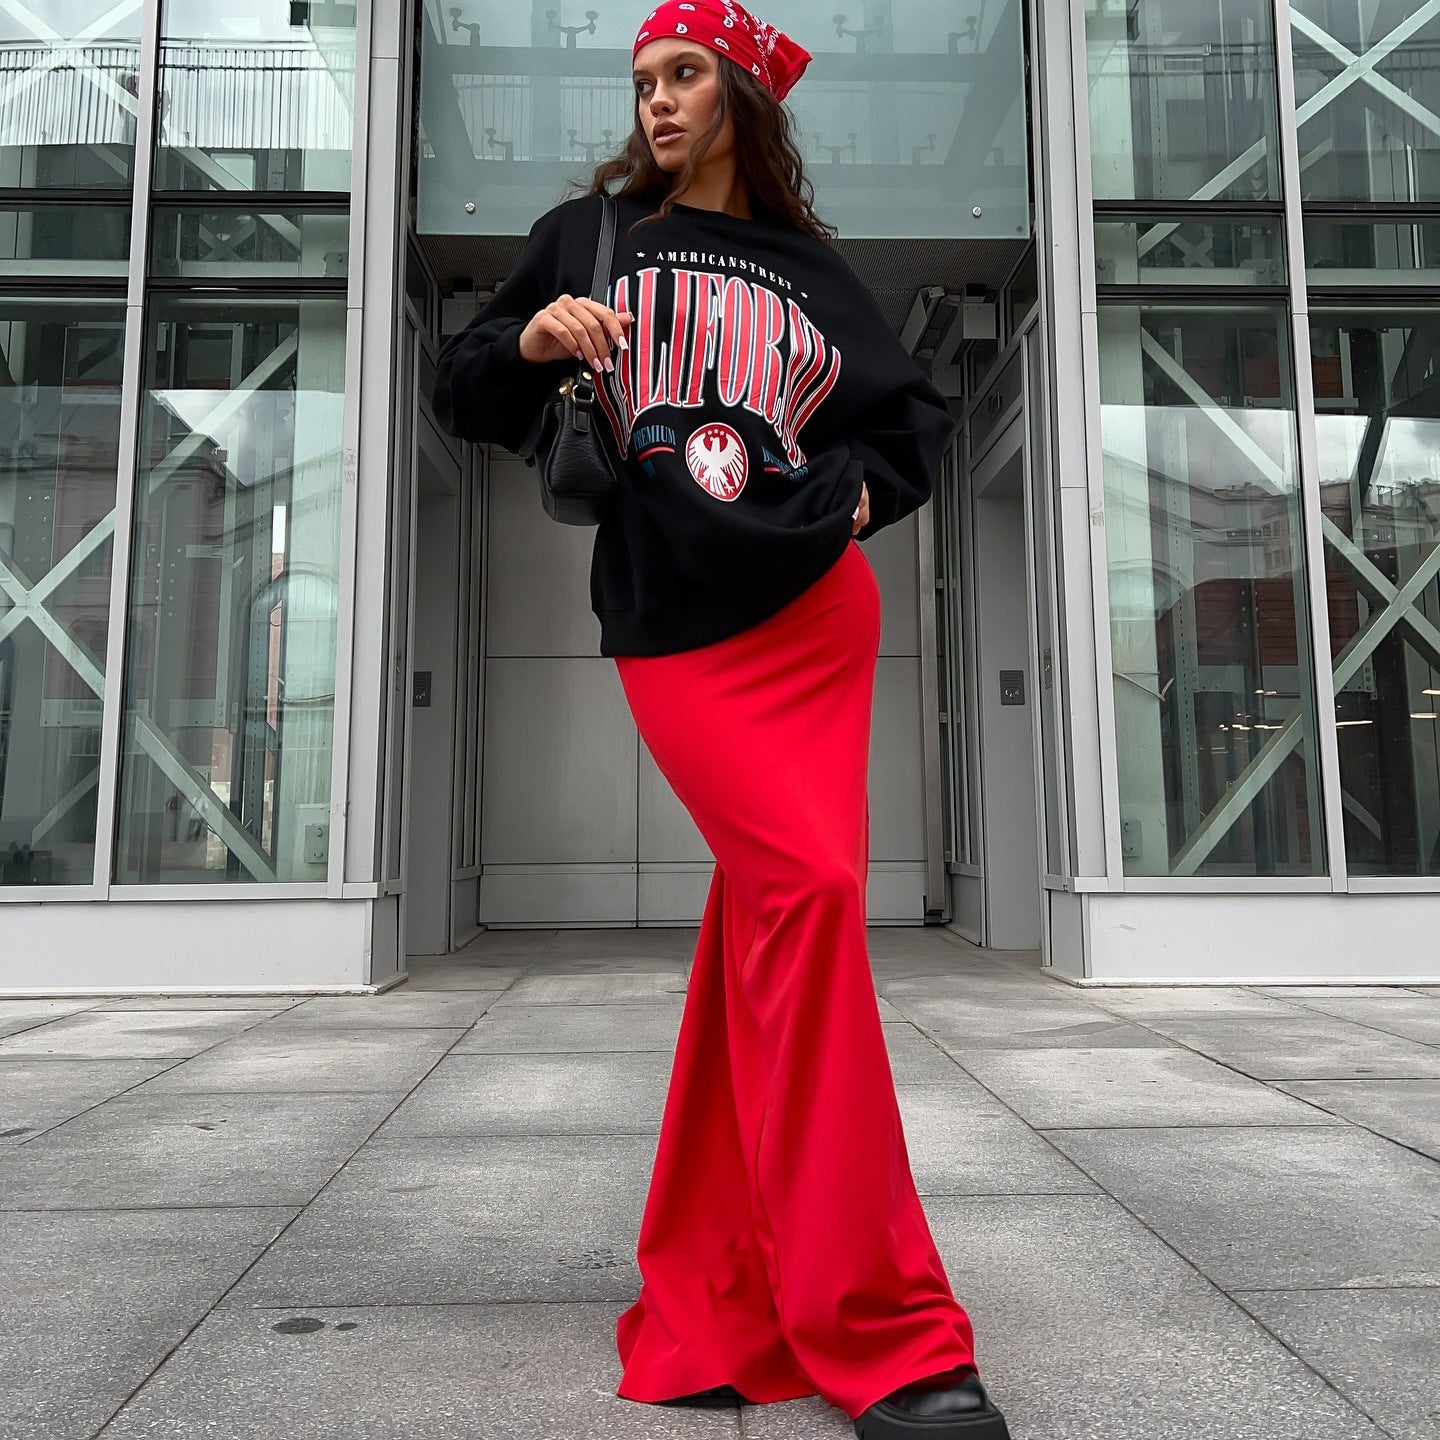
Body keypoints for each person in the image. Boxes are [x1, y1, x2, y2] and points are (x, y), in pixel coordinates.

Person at [431, 5, 1010, 1436]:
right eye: (643, 82)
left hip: (814, 615)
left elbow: (910, 417)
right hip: (678, 627)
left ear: (741, 96)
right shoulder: (588, 236)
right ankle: (882, 1324)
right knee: (809, 892)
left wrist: (860, 501)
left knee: (773, 913)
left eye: (685, 74)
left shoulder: (812, 269)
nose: (659, 101)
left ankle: (724, 1296)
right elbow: (463, 387)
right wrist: (533, 338)